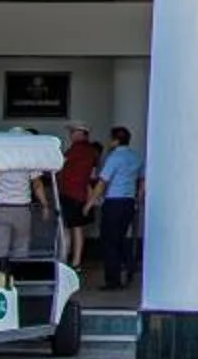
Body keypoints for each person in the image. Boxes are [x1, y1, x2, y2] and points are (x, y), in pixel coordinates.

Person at [0, 137, 53, 262]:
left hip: (1, 208)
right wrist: (45, 205)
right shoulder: (30, 159)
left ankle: (0, 277)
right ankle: (18, 276)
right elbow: (37, 185)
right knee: (21, 247)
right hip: (22, 209)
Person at [93, 125, 142, 288]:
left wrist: (90, 201)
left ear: (114, 140)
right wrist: (137, 198)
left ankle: (113, 280)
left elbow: (103, 181)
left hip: (113, 202)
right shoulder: (135, 157)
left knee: (110, 242)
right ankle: (129, 268)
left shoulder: (114, 157)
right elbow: (142, 180)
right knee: (121, 238)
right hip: (128, 202)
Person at [57, 123, 100, 271]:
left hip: (70, 193)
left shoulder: (76, 150)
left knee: (69, 228)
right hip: (81, 194)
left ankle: (68, 261)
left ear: (81, 133)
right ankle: (75, 261)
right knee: (77, 228)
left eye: (73, 132)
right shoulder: (92, 152)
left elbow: (60, 164)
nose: (71, 135)